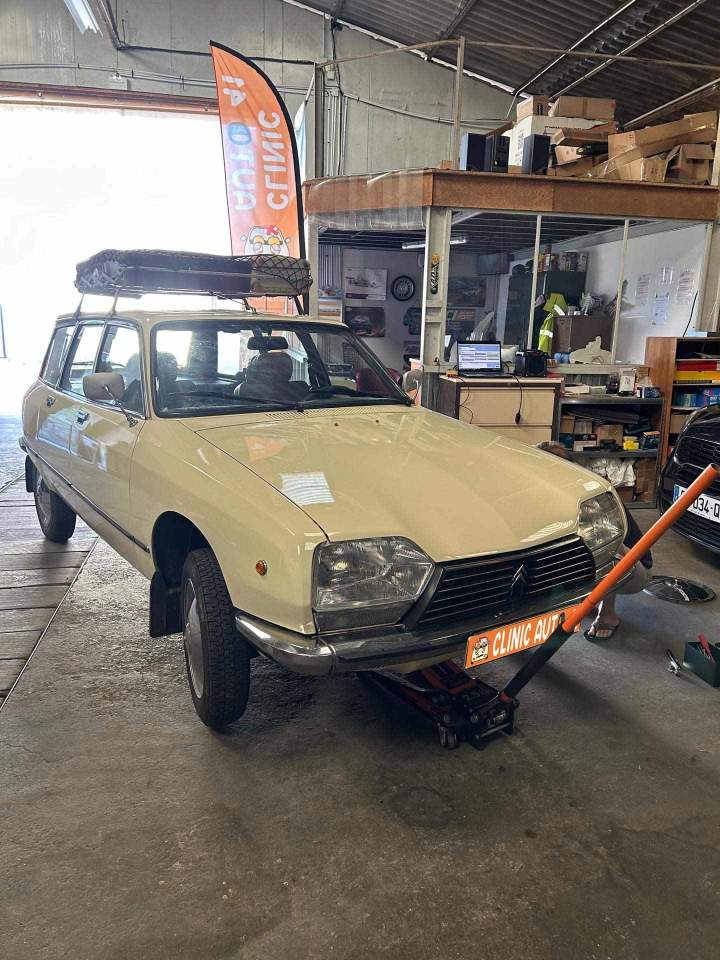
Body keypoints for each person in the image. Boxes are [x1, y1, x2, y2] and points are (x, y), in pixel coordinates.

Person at [537, 441, 652, 641]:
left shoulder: (591, 497)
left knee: (601, 546)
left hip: (633, 569)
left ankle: (607, 615)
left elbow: (606, 547)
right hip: (588, 560)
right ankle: (583, 599)